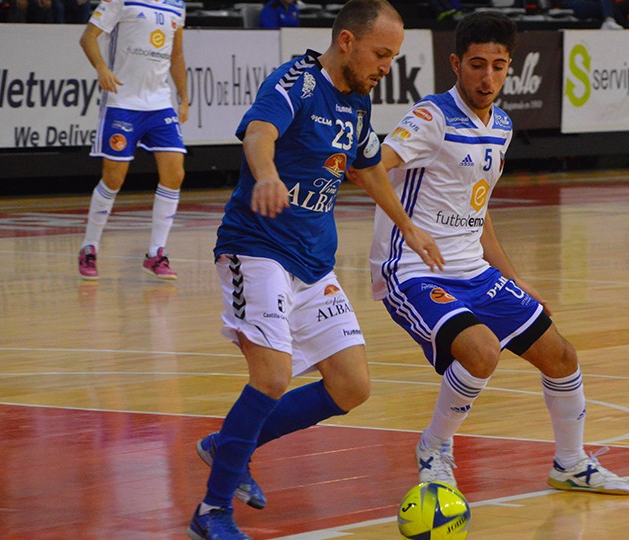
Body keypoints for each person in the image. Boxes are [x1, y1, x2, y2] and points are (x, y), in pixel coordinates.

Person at [186, 1, 444, 539]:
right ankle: (212, 512)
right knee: (273, 376)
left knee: (351, 386)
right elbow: (260, 133)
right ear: (346, 41)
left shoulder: (358, 105)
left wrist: (410, 229)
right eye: (380, 54)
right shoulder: (297, 82)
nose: (385, 67)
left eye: (393, 58)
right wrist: (265, 175)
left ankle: (230, 445)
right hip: (256, 248)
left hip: (313, 261)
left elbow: (369, 172)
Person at [366, 11, 629, 496]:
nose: (487, 77)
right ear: (455, 64)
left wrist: (513, 277)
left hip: (474, 270)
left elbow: (479, 211)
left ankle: (570, 463)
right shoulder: (431, 117)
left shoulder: (502, 126)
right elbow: (371, 168)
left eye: (497, 65)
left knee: (561, 357)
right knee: (482, 351)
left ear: (510, 66)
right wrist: (407, 230)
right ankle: (434, 447)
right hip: (413, 271)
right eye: (476, 65)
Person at [77, 0, 189, 281]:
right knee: (114, 178)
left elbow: (176, 55)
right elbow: (88, 37)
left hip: (159, 103)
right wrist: (102, 68)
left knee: (175, 173)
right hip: (123, 102)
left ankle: (156, 253)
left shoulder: (177, 6)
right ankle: (89, 246)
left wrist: (184, 97)